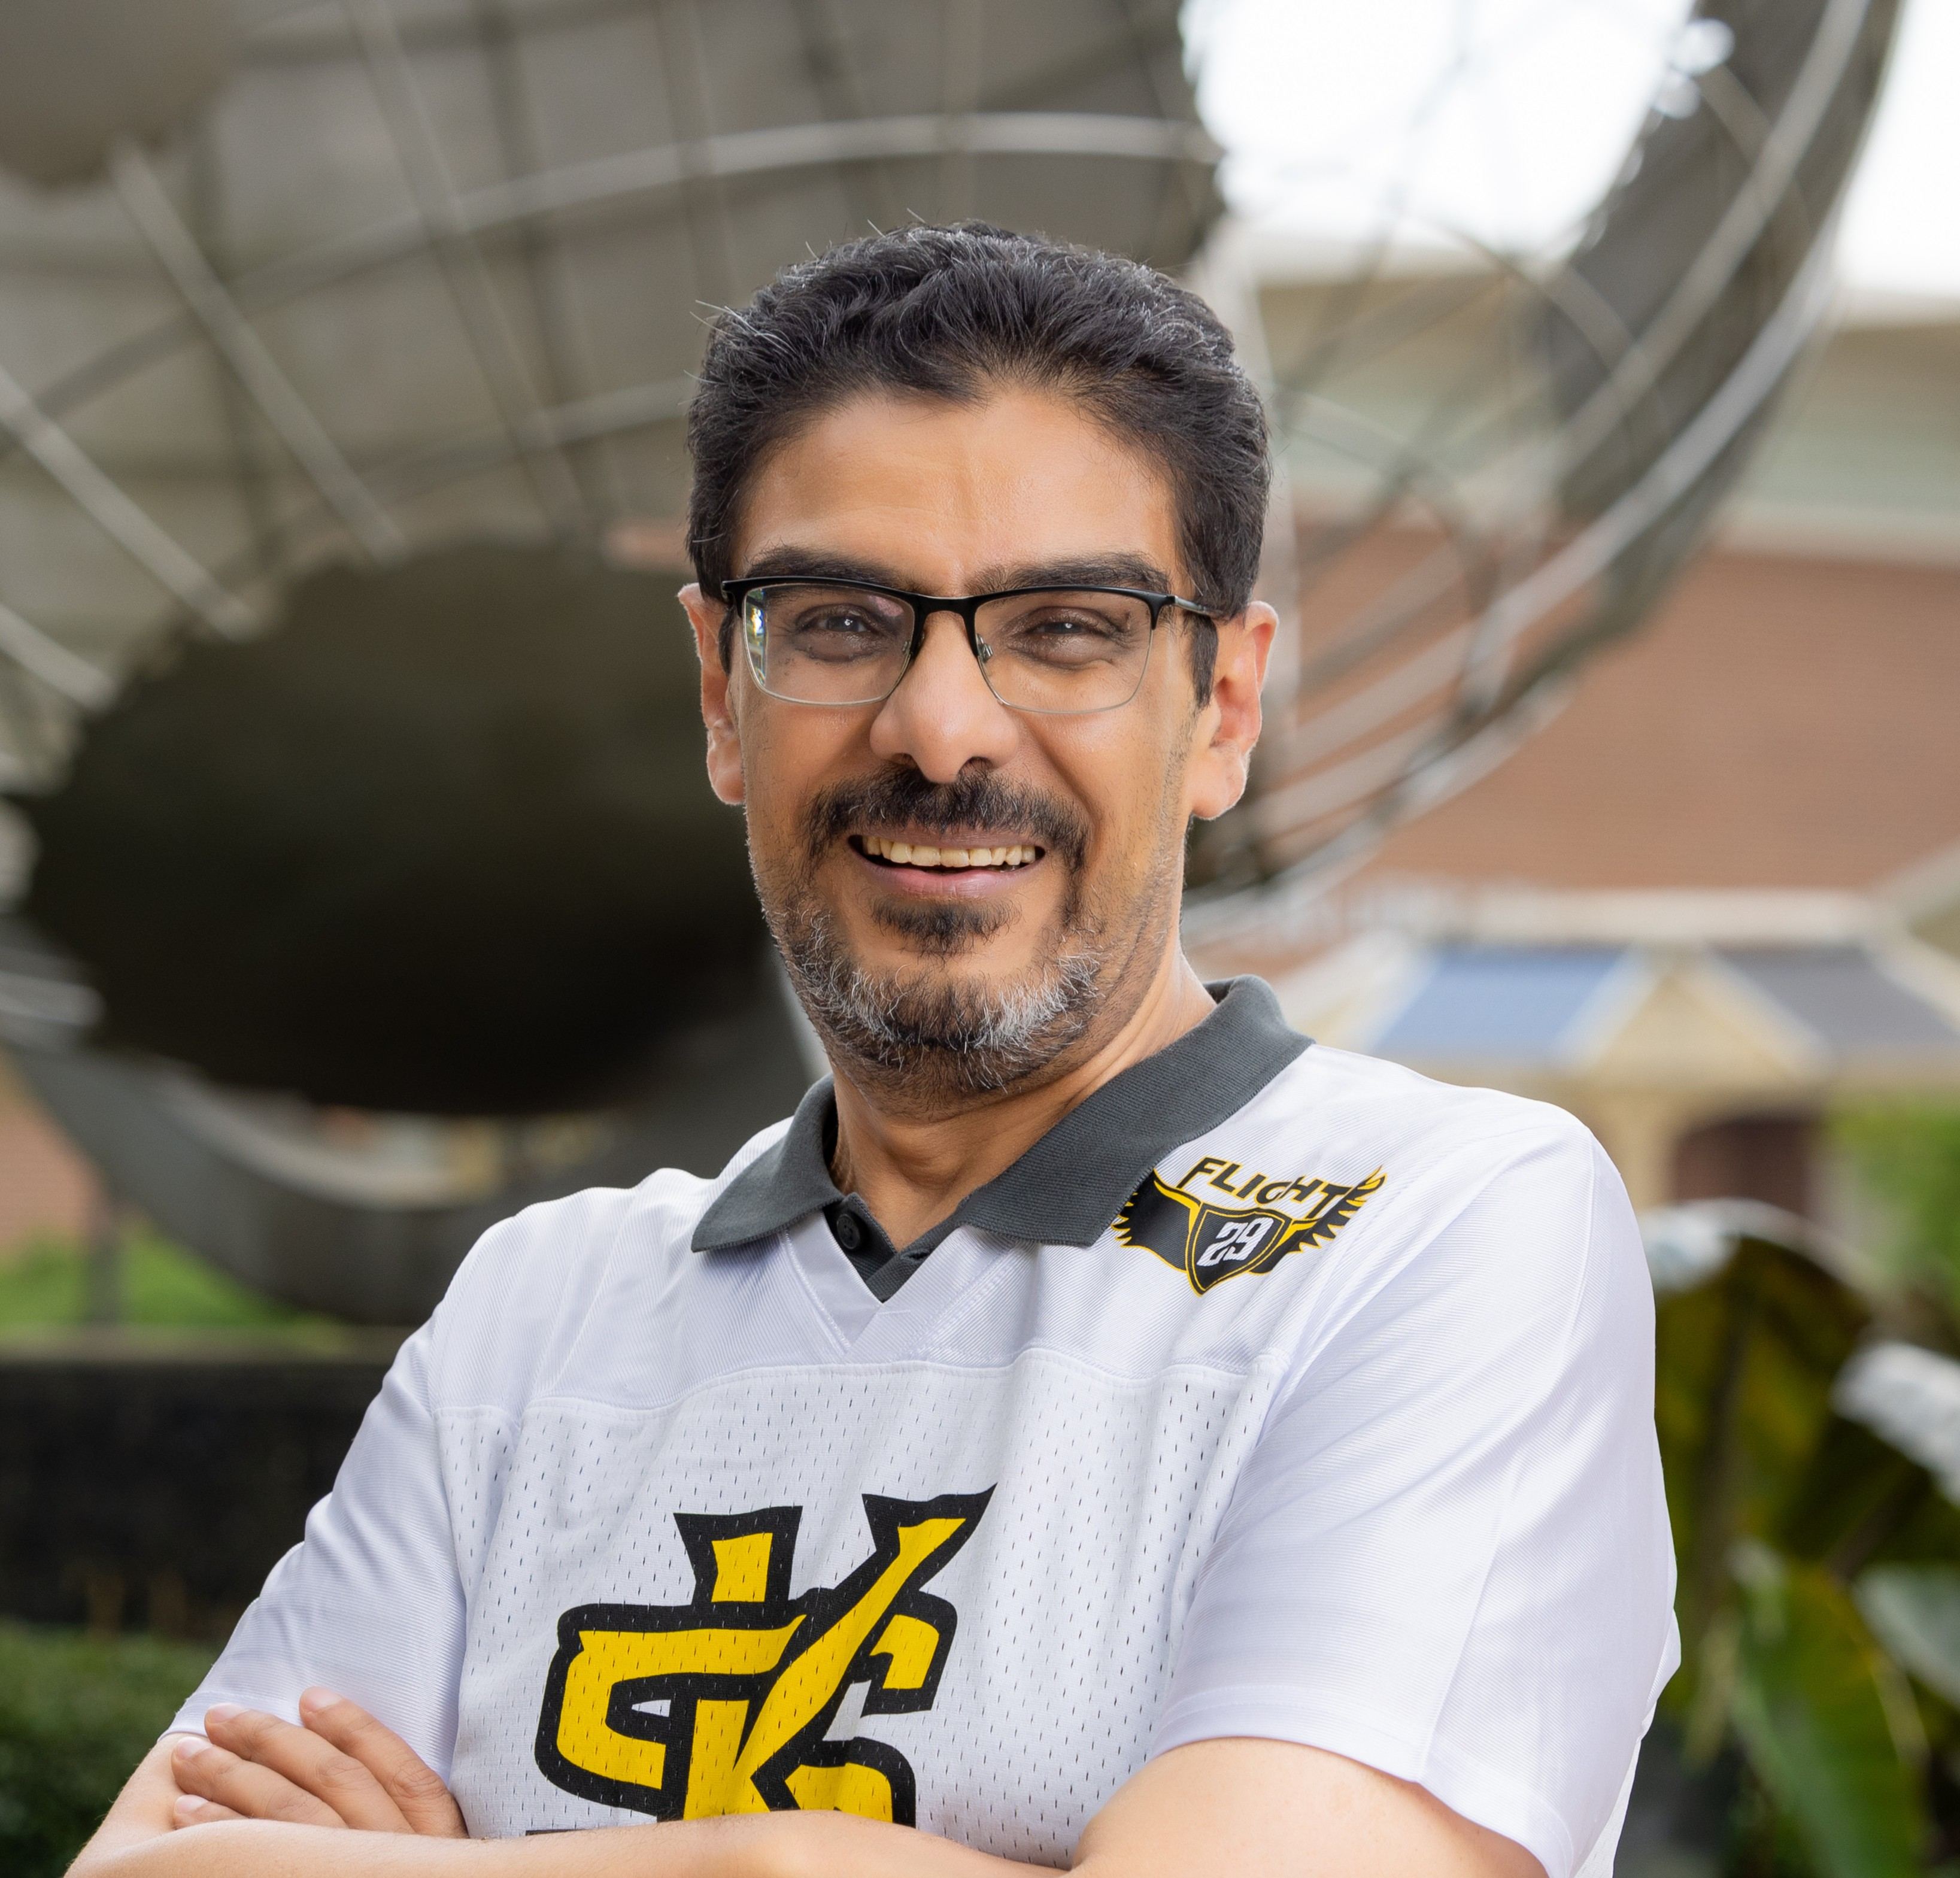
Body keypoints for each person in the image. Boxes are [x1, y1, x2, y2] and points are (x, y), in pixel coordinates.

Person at [73, 224, 1676, 1878]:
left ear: (1220, 706)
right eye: (839, 621)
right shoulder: (535, 1314)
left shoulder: (1440, 1226)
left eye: (1063, 627)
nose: (940, 727)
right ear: (719, 684)